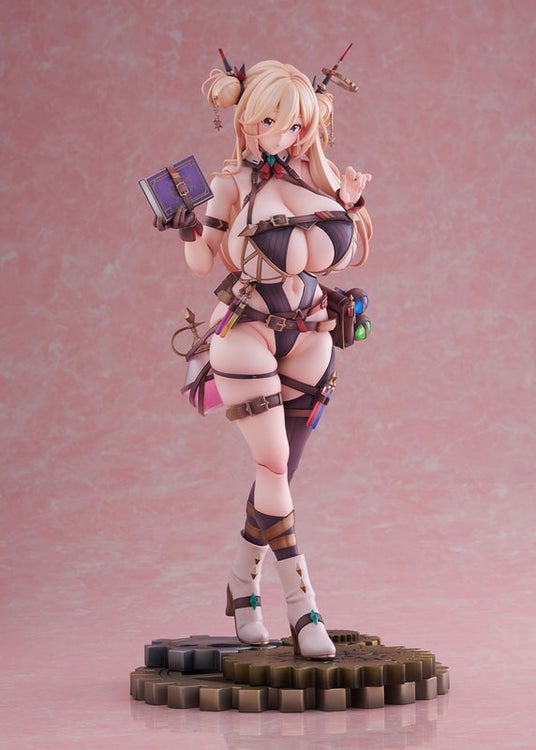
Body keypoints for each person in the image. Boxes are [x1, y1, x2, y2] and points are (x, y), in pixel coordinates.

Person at [157, 57, 372, 659]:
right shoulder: (229, 185)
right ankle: (304, 608)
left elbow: (346, 251)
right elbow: (204, 262)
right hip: (247, 330)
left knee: (278, 476)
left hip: (312, 332)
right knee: (274, 468)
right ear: (248, 118)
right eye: (275, 121)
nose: (288, 134)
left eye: (298, 124)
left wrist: (350, 204)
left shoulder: (314, 177)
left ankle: (240, 583)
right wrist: (189, 230)